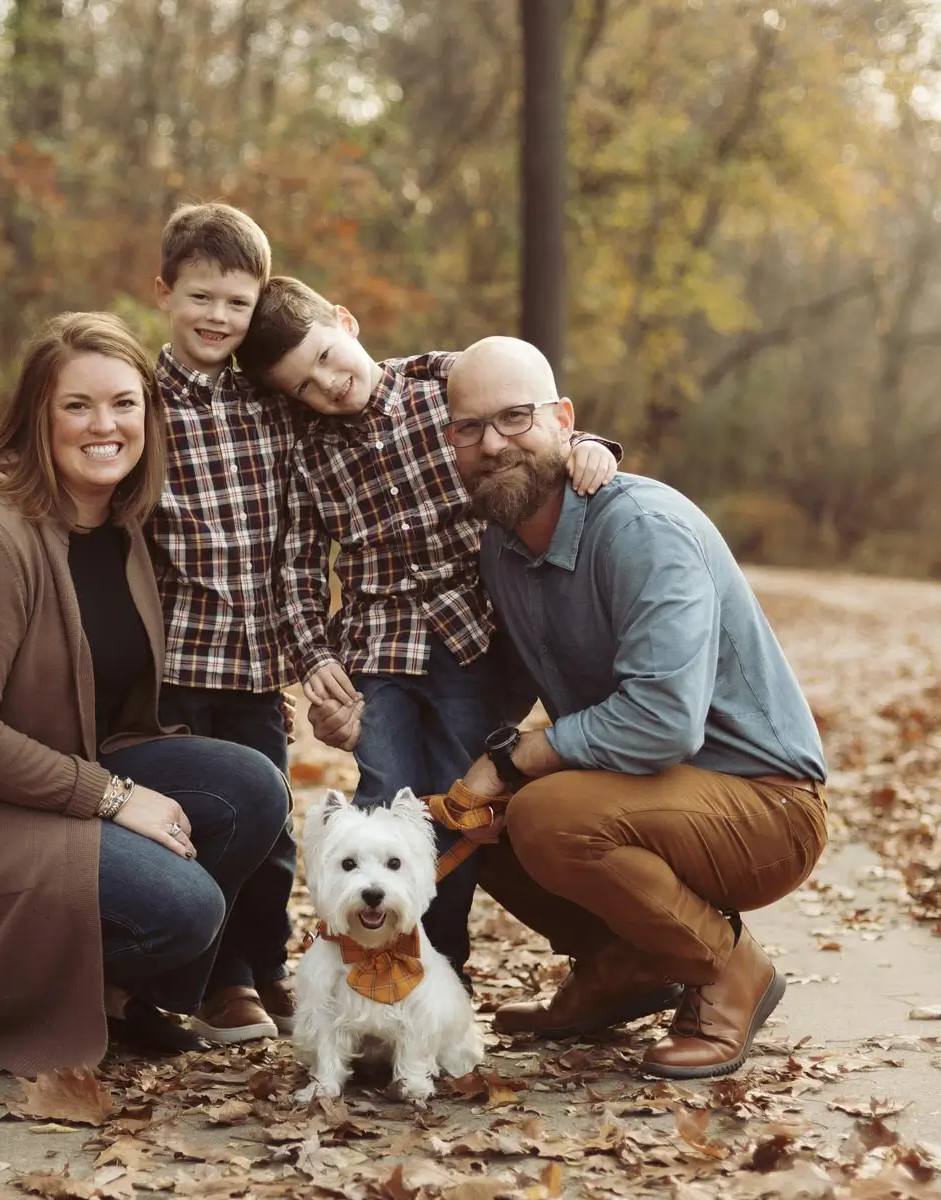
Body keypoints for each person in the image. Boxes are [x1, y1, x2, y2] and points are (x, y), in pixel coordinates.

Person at [0, 312, 292, 1075]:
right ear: (37, 416)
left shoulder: (121, 528)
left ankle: (119, 998)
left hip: (48, 784)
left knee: (252, 786)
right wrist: (117, 798)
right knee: (183, 907)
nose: (105, 425)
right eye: (77, 406)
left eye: (125, 404)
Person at [442, 335, 828, 1079]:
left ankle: (730, 972)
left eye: (515, 418)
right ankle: (623, 967)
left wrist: (512, 760)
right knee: (471, 814)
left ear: (563, 419)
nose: (492, 444)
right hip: (652, 791)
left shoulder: (640, 529)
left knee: (545, 814)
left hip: (766, 806)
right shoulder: (503, 546)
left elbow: (661, 721)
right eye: (469, 427)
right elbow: (505, 690)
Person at [235, 278, 622, 983]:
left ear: (346, 322)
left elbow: (526, 420)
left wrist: (591, 445)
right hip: (376, 646)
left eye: (326, 357)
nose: (327, 385)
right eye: (304, 388)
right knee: (383, 802)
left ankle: (440, 967)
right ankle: (376, 967)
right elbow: (294, 564)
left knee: (451, 806)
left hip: (472, 641)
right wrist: (312, 652)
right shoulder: (309, 452)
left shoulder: (441, 379)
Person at [147, 203, 302, 1044]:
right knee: (203, 825)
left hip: (256, 667)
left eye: (237, 304)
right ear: (164, 291)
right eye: (201, 297)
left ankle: (265, 965)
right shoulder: (137, 402)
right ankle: (218, 980)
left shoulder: (271, 401)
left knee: (272, 829)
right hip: (174, 665)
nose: (217, 318)